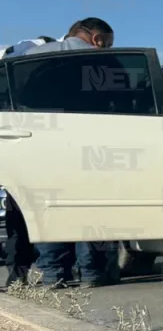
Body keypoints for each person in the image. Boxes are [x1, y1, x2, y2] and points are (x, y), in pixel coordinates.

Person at [4, 18, 117, 287]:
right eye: (109, 44)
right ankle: (90, 273)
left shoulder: (27, 58)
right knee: (89, 210)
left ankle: (53, 275)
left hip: (36, 148)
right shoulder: (106, 62)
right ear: (97, 39)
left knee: (48, 210)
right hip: (89, 149)